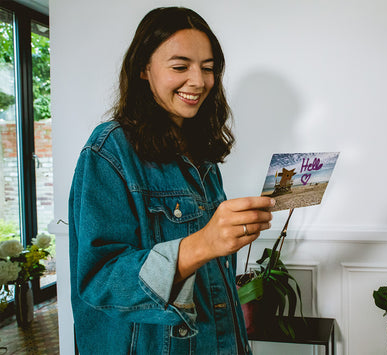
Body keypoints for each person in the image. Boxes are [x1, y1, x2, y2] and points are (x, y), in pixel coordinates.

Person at [69, 7, 273, 354]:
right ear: (143, 69)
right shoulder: (108, 151)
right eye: (180, 67)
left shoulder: (201, 155)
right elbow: (99, 280)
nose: (198, 81)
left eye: (208, 69)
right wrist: (204, 243)